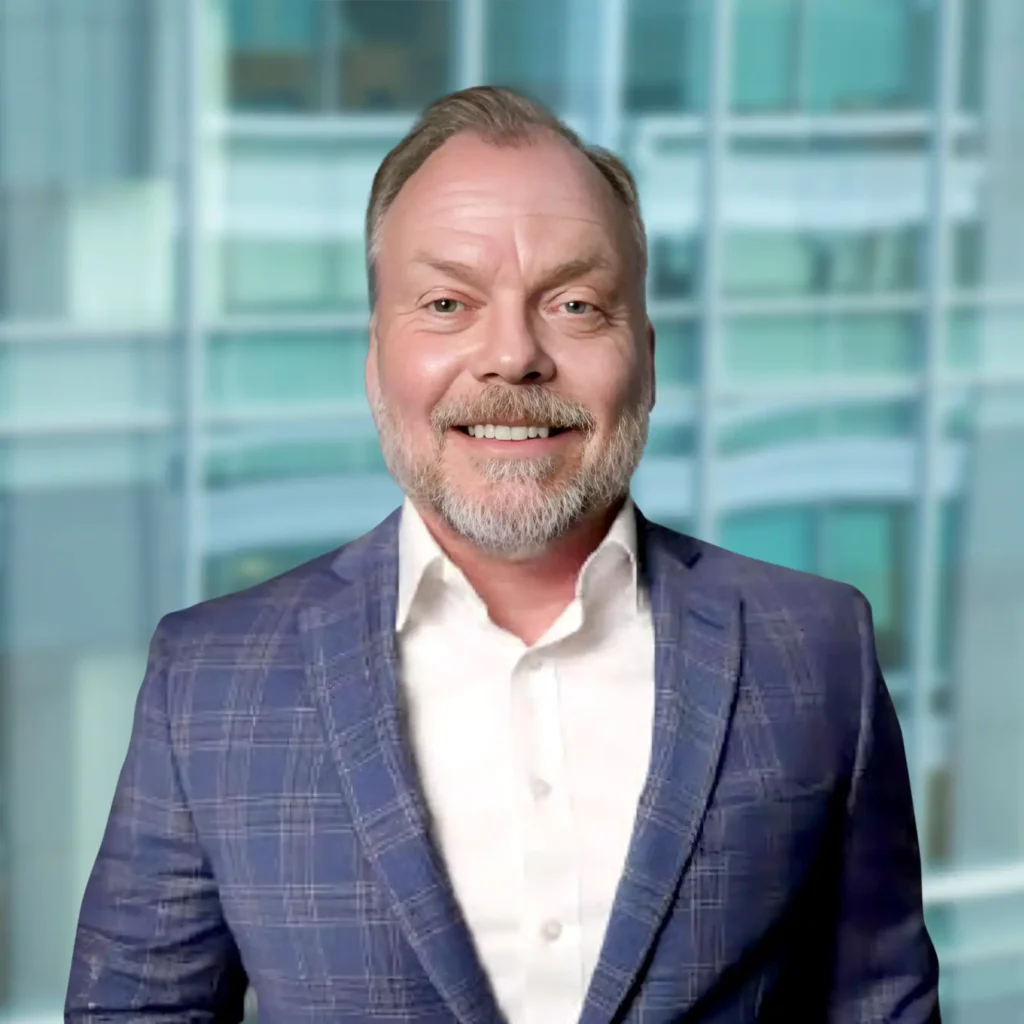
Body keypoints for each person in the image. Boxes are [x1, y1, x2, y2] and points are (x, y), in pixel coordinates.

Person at [66, 86, 940, 1024]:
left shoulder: (816, 647)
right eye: (447, 303)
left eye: (574, 304)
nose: (513, 357)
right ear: (376, 360)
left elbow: (881, 1008)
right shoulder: (209, 680)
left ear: (644, 356)